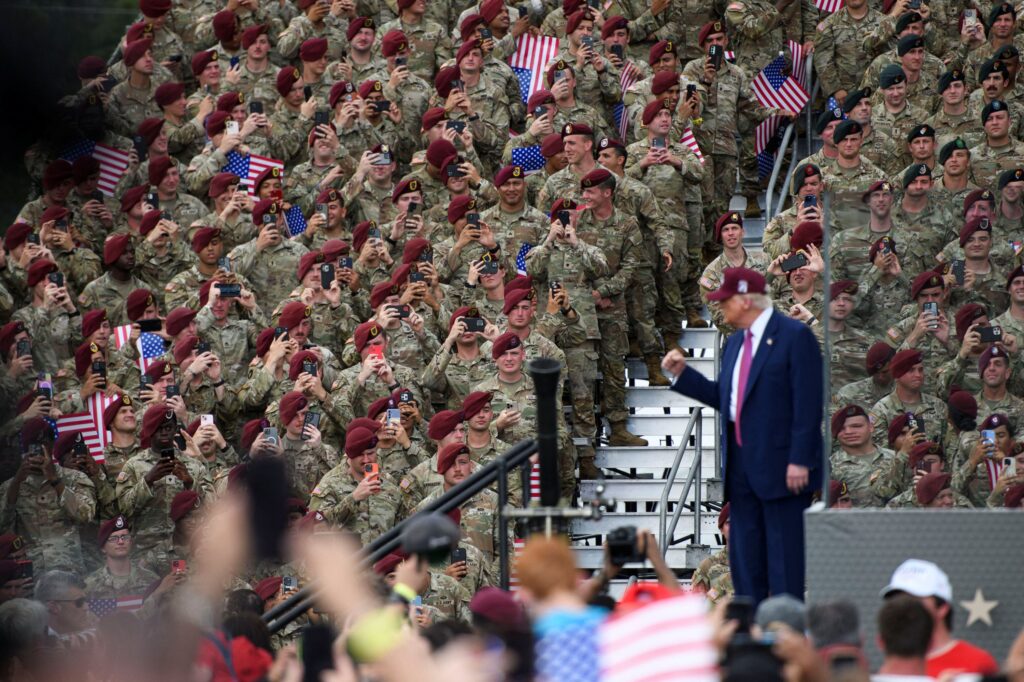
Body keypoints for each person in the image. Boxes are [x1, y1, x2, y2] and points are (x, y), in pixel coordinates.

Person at [662, 267, 822, 604]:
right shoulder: (734, 343)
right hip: (742, 471)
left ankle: (783, 626)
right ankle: (750, 625)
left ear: (746, 300)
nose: (719, 307)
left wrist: (800, 458)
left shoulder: (794, 336)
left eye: (726, 301)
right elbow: (729, 399)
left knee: (783, 560)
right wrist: (684, 376)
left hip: (783, 469)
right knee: (746, 563)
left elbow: (808, 401)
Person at [880, 559, 1000, 677]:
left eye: (914, 600)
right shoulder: (891, 666)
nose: (903, 608)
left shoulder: (978, 663)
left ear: (942, 607)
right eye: (897, 600)